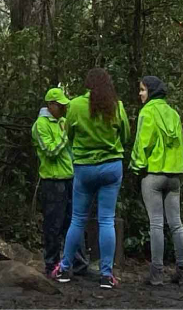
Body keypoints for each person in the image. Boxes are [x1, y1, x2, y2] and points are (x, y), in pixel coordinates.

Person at [52, 68, 130, 289]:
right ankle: (106, 275)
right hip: (111, 167)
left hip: (84, 168)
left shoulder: (75, 105)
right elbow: (125, 136)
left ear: (87, 84)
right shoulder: (117, 106)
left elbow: (69, 136)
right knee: (106, 220)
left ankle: (65, 269)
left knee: (78, 219)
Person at [131, 75, 183, 286]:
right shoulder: (173, 113)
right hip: (174, 176)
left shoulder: (147, 112)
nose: (140, 94)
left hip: (153, 175)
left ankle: (157, 273)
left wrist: (136, 167)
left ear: (152, 92)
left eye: (143, 90)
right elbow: (182, 144)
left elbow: (143, 144)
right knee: (176, 224)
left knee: (156, 224)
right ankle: (182, 271)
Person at [32, 88, 77, 276]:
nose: (64, 109)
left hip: (69, 177)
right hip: (52, 180)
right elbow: (50, 151)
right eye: (60, 106)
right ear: (51, 105)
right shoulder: (40, 125)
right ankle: (51, 264)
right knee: (53, 224)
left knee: (70, 222)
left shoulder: (62, 122)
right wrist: (65, 135)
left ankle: (69, 263)